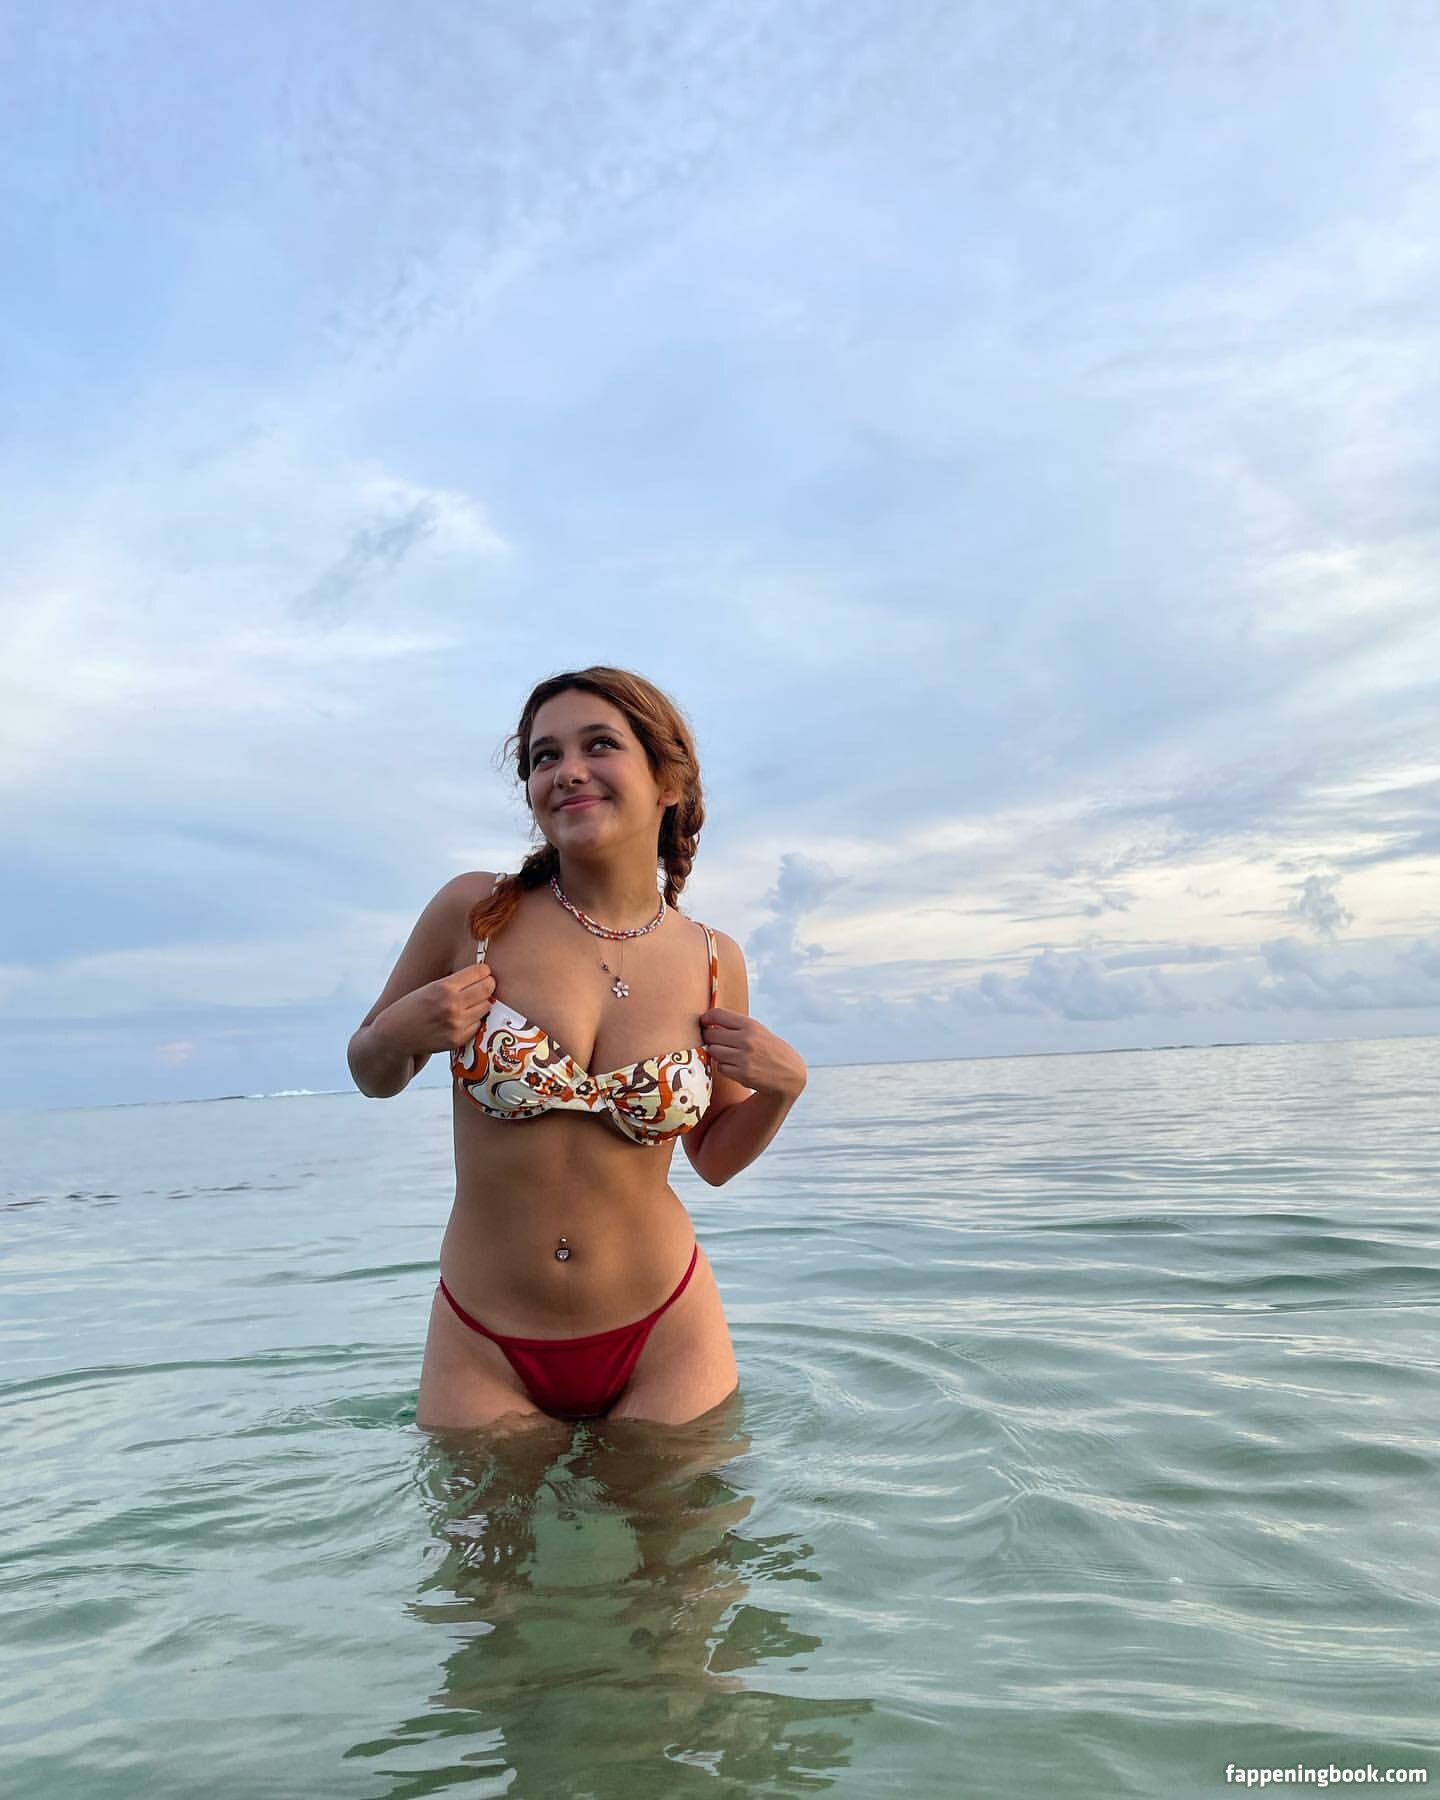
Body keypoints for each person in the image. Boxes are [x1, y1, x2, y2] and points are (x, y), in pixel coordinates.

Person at [347, 666, 809, 1430]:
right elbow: (372, 1072)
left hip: (666, 1331)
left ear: (667, 780)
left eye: (599, 745)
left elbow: (714, 1159)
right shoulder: (476, 914)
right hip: (483, 1341)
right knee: (480, 1519)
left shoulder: (713, 959)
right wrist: (399, 1032)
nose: (566, 771)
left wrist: (784, 1090)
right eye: (544, 756)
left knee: (685, 1519)